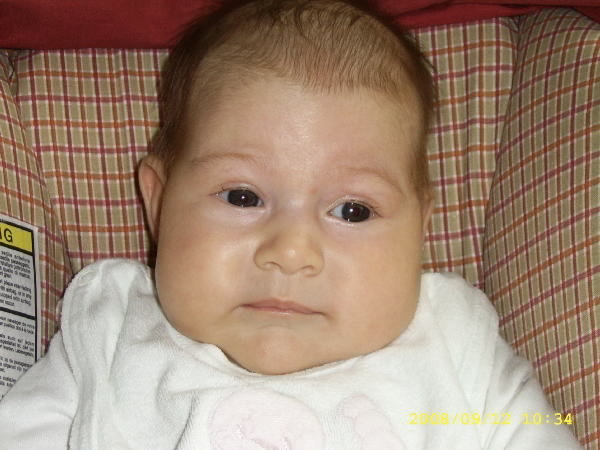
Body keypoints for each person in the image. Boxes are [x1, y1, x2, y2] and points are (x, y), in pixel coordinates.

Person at [0, 0, 581, 448]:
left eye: (353, 210)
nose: (292, 251)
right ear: (157, 204)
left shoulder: (453, 349)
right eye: (242, 196)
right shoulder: (109, 334)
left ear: (419, 229)